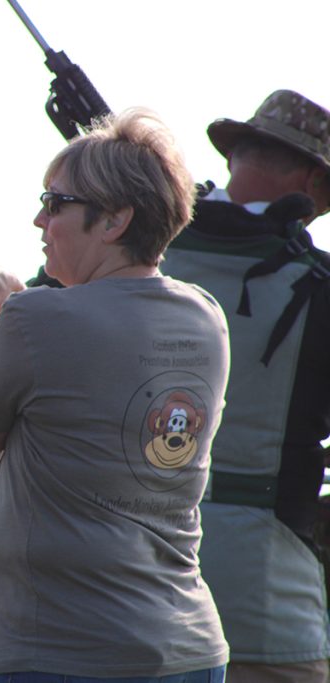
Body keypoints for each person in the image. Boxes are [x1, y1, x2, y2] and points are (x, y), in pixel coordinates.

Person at [0, 109, 230, 682]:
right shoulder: (205, 317)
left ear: (114, 220)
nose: (40, 219)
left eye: (55, 203)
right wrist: (20, 310)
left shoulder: (40, 319)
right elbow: (94, 366)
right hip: (190, 649)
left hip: (64, 656)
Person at [160, 90, 330, 683]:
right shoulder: (319, 285)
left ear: (236, 156)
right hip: (265, 607)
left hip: (126, 598)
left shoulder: (138, 253)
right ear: (313, 182)